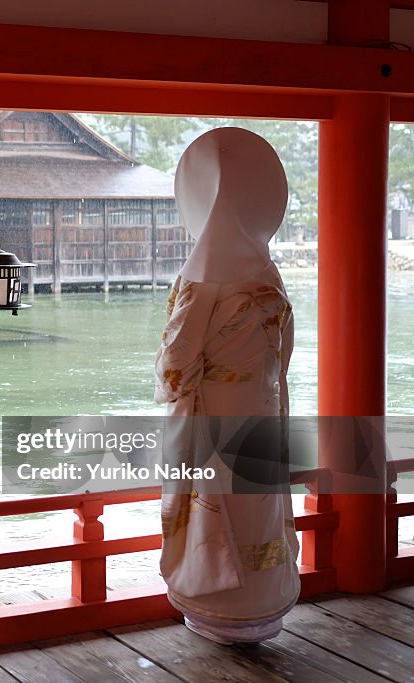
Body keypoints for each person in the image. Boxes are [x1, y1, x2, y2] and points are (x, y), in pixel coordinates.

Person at [154, 127, 299, 645]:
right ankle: (261, 608)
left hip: (215, 418)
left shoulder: (199, 279)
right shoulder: (268, 273)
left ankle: (216, 609)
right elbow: (280, 359)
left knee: (221, 513)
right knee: (259, 510)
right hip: (261, 412)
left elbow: (174, 370)